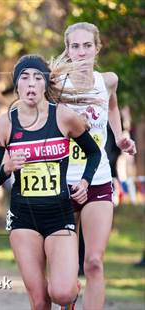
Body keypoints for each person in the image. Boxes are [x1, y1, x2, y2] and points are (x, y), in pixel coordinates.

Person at [0, 54, 101, 309]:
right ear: (17, 85)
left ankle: (69, 293)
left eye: (37, 78)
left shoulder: (64, 117)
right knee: (39, 301)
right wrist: (9, 166)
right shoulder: (4, 124)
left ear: (45, 84)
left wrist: (85, 182)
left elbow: (94, 152)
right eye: (24, 78)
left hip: (59, 214)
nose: (31, 83)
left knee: (62, 293)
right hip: (23, 217)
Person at [55, 22, 137, 309]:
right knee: (64, 274)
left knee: (93, 262)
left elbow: (111, 105)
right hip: (62, 183)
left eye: (87, 45)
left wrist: (119, 136)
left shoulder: (108, 80)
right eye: (75, 46)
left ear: (97, 48)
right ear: (67, 50)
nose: (81, 52)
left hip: (98, 179)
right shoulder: (56, 87)